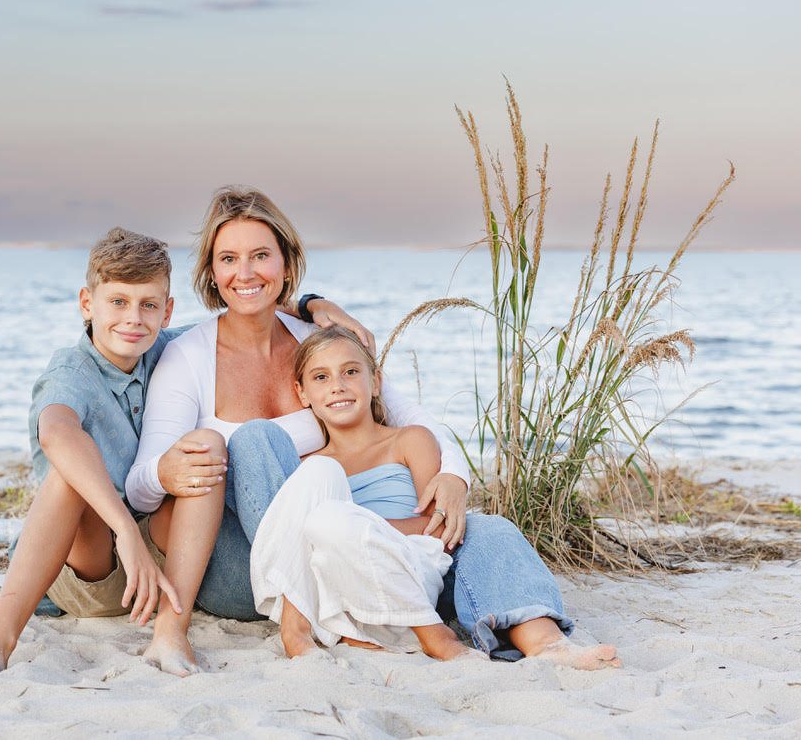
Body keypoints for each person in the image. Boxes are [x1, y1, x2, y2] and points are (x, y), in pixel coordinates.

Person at [127, 186, 620, 668]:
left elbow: (409, 417)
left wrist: (454, 476)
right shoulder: (186, 356)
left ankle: (545, 643)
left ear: (285, 264)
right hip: (255, 566)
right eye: (229, 259)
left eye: (261, 255)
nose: (246, 272)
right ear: (212, 272)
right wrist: (164, 475)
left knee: (488, 530)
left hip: (356, 546)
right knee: (259, 440)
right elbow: (141, 488)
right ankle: (355, 618)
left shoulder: (322, 344)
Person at [0, 227, 367, 677]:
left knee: (202, 448)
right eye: (118, 302)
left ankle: (171, 633)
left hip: (154, 557)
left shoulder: (165, 347)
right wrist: (125, 530)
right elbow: (56, 434)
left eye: (148, 305)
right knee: (68, 473)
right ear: (87, 304)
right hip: (89, 562)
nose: (133, 319)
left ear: (167, 311)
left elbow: (246, 307)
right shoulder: (71, 372)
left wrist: (311, 305)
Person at [251, 326, 473, 660]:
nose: (337, 386)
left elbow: (439, 530)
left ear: (376, 382)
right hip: (340, 590)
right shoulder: (308, 467)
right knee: (322, 483)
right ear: (303, 394)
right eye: (321, 377)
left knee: (330, 521)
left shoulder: (409, 440)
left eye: (351, 372)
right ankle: (296, 631)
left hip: (408, 572)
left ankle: (430, 632)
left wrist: (362, 525)